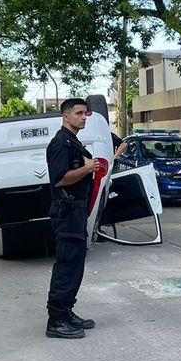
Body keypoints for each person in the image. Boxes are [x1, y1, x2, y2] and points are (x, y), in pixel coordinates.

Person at [44, 97, 105, 339]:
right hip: (66, 210)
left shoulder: (72, 142)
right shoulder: (60, 143)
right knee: (67, 265)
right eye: (78, 113)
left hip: (75, 211)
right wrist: (88, 168)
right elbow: (59, 178)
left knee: (76, 264)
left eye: (85, 113)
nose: (83, 117)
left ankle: (66, 311)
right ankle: (56, 320)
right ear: (66, 116)